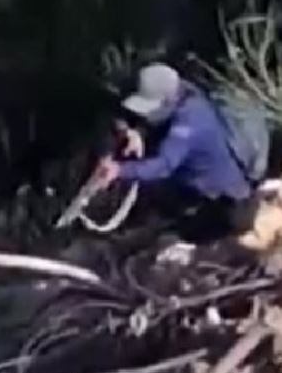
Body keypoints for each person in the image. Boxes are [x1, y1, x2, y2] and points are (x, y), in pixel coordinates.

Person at [94, 63, 261, 241]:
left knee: (192, 233)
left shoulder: (189, 126)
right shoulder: (186, 91)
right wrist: (136, 132)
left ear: (168, 101)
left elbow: (163, 166)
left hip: (223, 197)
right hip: (193, 178)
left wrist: (119, 170)